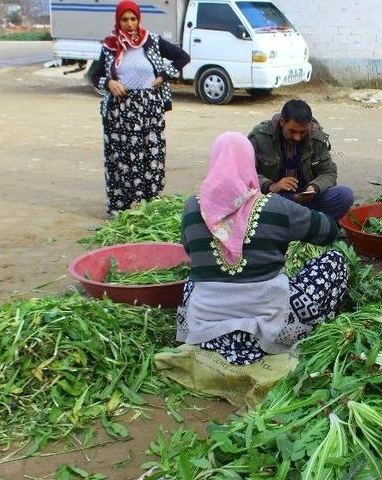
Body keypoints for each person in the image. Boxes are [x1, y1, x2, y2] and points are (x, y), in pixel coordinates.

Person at [176, 132, 349, 365]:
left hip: (205, 328)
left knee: (193, 279)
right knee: (335, 260)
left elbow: (190, 252)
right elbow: (327, 232)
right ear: (249, 163)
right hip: (269, 327)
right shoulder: (276, 207)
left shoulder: (192, 208)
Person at [90, 0, 191, 217]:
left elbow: (183, 57)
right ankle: (122, 209)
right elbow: (95, 75)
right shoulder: (110, 47)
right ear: (118, 21)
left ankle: (149, 206)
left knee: (150, 157)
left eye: (133, 19)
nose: (129, 24)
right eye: (124, 19)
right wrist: (109, 83)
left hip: (149, 110)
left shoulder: (151, 41)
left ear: (139, 19)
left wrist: (163, 76)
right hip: (120, 112)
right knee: (121, 158)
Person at [248, 99, 354, 221]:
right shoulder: (259, 137)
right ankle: (309, 225)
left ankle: (310, 226)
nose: (297, 137)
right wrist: (271, 186)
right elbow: (245, 175)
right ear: (282, 122)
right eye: (292, 131)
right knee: (253, 205)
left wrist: (314, 188)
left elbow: (329, 173)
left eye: (302, 132)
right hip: (273, 201)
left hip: (306, 200)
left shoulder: (317, 137)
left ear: (309, 125)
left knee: (344, 195)